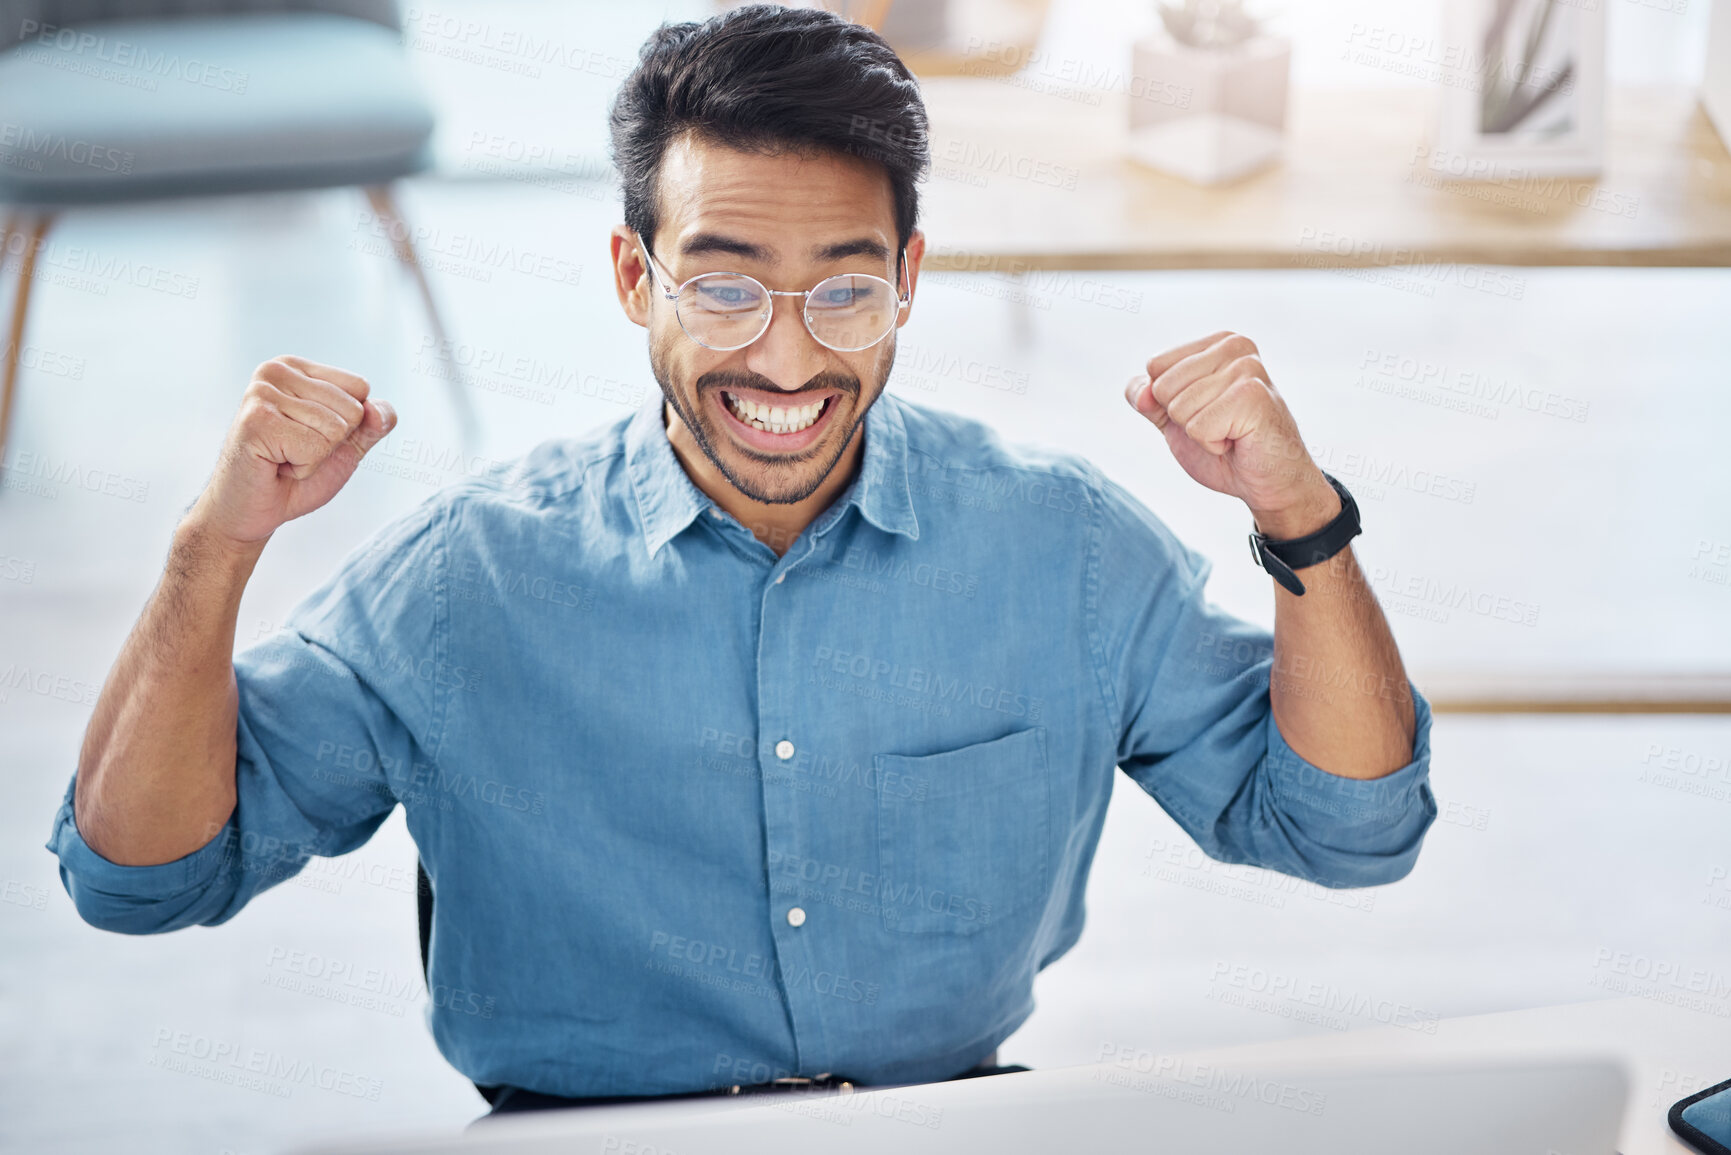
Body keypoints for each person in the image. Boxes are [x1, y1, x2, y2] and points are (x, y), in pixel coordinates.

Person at [48, 3, 1436, 1116]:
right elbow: (143, 877)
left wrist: (1299, 517)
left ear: (910, 278)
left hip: (946, 1118)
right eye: (723, 284)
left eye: (844, 287)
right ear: (631, 276)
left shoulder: (1058, 548)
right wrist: (210, 552)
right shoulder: (467, 581)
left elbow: (1346, 830)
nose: (787, 353)